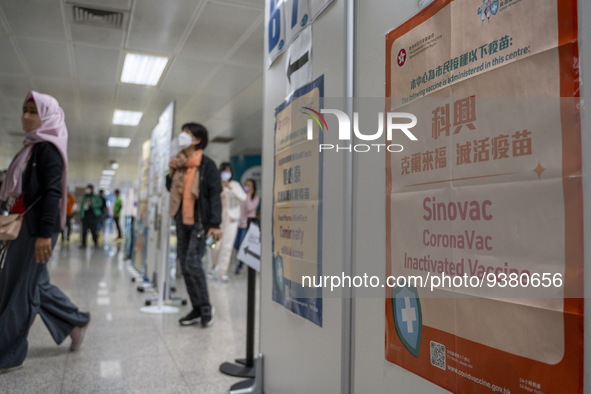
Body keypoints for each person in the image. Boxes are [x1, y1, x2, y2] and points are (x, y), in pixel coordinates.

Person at [0, 91, 90, 373]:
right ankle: (74, 320)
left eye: (33, 111)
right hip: (26, 225)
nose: (25, 116)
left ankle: (8, 353)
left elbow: (53, 194)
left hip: (36, 229)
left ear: (47, 116)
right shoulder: (32, 147)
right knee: (33, 283)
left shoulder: (47, 150)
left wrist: (43, 235)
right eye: (24, 110)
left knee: (17, 289)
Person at [167, 122, 222, 327]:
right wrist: (171, 172)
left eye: (187, 133)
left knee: (193, 263)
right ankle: (196, 308)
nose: (182, 136)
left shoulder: (206, 165)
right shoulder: (179, 163)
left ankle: (206, 307)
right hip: (182, 220)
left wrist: (215, 223)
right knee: (185, 265)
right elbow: (171, 190)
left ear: (197, 140)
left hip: (200, 222)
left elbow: (214, 195)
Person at [210, 162, 246, 282]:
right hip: (218, 220)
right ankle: (213, 267)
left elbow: (243, 198)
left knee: (227, 246)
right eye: (224, 171)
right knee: (215, 246)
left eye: (228, 171)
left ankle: (222, 272)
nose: (226, 174)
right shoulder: (217, 184)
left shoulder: (235, 185)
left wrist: (231, 189)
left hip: (232, 220)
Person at [234, 179, 260, 275]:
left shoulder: (255, 198)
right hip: (238, 224)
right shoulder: (241, 196)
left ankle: (239, 265)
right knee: (236, 245)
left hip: (248, 225)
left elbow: (249, 208)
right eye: (246, 185)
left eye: (249, 185)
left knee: (242, 245)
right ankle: (241, 261)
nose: (247, 187)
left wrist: (248, 195)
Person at [79, 184, 102, 248]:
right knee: (84, 231)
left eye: (89, 189)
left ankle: (95, 242)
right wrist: (81, 215)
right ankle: (83, 244)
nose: (88, 190)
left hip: (93, 216)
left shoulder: (95, 197)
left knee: (93, 230)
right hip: (85, 216)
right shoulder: (84, 197)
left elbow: (100, 204)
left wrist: (92, 204)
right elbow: (81, 207)